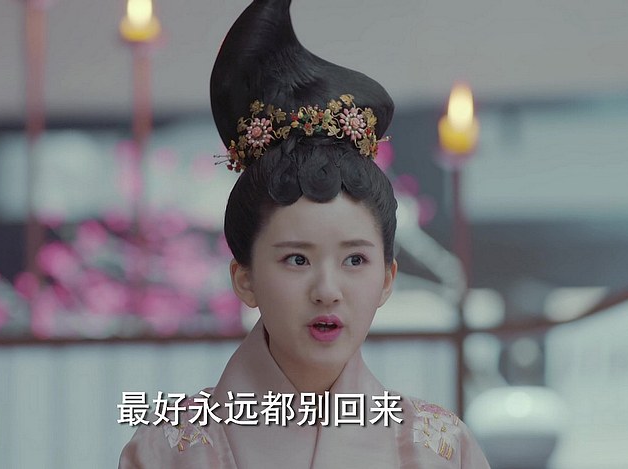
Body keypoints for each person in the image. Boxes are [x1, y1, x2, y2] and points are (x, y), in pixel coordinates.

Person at [119, 1, 490, 467]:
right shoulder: (167, 451)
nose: (327, 290)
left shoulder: (438, 447)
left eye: (355, 260)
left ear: (387, 279)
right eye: (297, 259)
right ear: (244, 278)